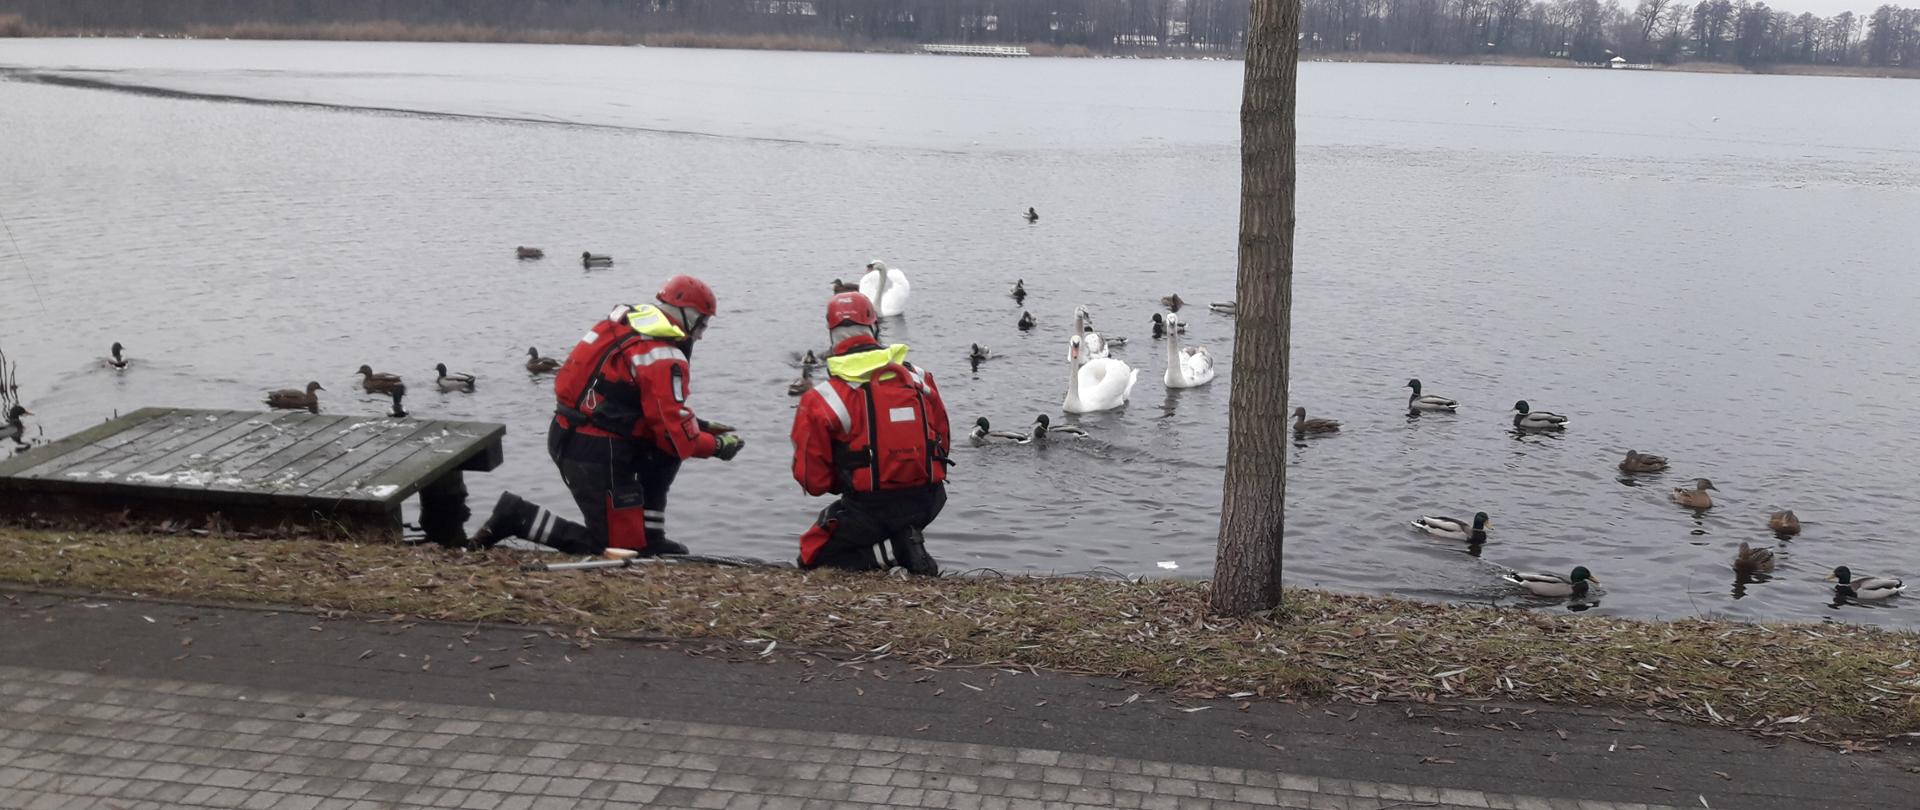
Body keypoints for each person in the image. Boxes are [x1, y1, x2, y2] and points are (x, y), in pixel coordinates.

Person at [468, 275, 744, 555]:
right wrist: (716, 446)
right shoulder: (663, 356)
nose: (702, 333)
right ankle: (518, 516)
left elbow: (630, 405)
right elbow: (676, 439)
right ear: (689, 316)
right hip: (597, 451)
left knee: (661, 456)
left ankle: (651, 536)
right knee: (621, 550)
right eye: (704, 323)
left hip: (573, 432)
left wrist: (699, 426)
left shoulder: (620, 326)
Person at [790, 292, 950, 575]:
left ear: (831, 335)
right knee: (893, 516)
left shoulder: (822, 398)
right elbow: (943, 441)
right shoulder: (919, 378)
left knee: (811, 555)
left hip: (870, 507)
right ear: (874, 327)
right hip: (929, 498)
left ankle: (891, 551)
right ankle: (906, 535)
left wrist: (852, 473)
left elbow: (813, 481)